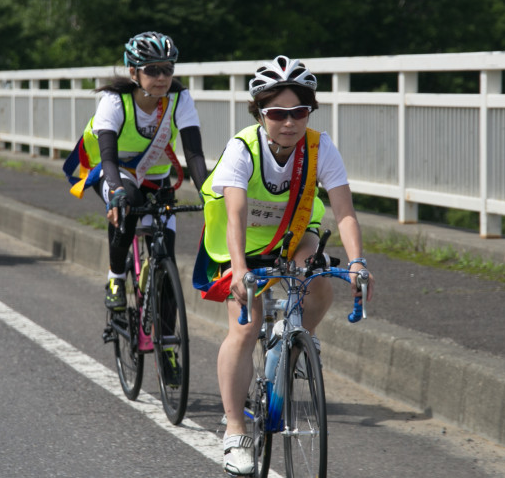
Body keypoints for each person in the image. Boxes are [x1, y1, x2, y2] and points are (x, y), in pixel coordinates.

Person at [196, 55, 375, 475]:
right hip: (239, 245)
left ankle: (294, 337)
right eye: (277, 113)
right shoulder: (243, 148)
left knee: (319, 284)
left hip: (295, 237)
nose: (290, 122)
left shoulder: (319, 147)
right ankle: (236, 430)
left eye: (300, 112)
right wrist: (239, 269)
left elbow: (344, 211)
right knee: (245, 323)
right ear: (260, 112)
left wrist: (357, 262)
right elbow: (236, 215)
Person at [64, 31, 207, 313]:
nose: (162, 77)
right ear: (133, 72)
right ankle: (116, 278)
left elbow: (194, 154)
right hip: (113, 170)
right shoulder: (115, 101)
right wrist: (116, 190)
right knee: (128, 203)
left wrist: (209, 194)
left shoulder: (179, 98)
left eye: (167, 69)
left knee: (167, 260)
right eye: (152, 70)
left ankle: (168, 349)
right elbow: (107, 157)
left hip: (156, 178)